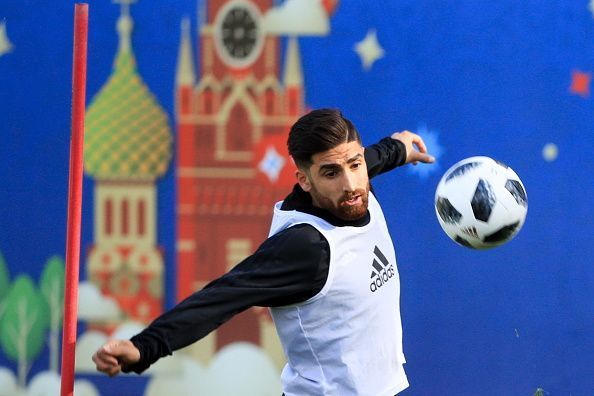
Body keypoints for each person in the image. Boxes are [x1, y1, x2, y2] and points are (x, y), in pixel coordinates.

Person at [92, 108, 435, 395]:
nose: (350, 184)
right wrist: (144, 346)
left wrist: (397, 148)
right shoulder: (307, 247)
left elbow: (366, 161)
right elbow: (223, 296)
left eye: (355, 165)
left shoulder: (353, 191)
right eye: (331, 173)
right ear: (304, 180)